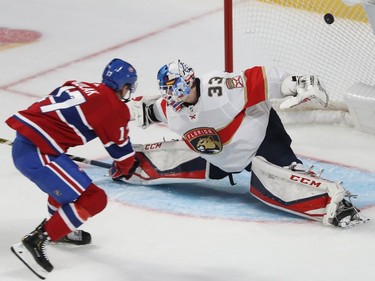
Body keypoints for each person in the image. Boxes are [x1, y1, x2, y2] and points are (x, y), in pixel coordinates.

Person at [123, 59, 368, 228]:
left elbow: (261, 80)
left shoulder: (219, 88)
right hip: (222, 155)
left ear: (187, 82)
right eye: (167, 91)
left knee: (274, 179)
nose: (171, 96)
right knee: (184, 156)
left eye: (173, 89)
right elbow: (152, 109)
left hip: (261, 140)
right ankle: (132, 164)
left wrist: (297, 82)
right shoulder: (172, 108)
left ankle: (336, 205)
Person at [6, 58, 139, 278]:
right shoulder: (114, 107)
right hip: (39, 153)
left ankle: (60, 229)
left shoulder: (77, 84)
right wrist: (124, 168)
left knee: (69, 187)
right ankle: (36, 240)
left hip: (29, 144)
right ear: (125, 86)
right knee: (95, 199)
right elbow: (122, 154)